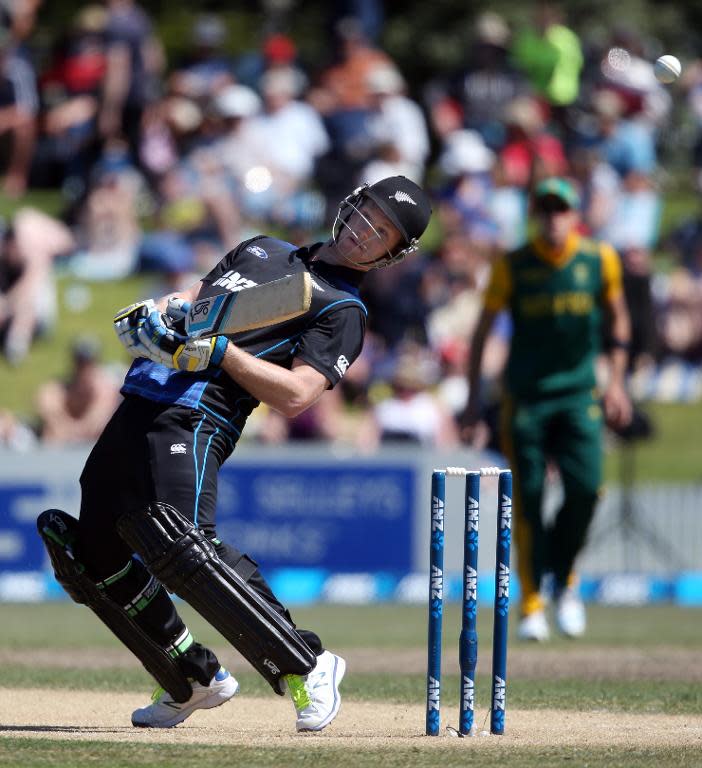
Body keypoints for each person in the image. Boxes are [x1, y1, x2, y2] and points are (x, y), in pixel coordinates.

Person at [37, 176, 431, 730]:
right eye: (368, 213)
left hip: (199, 414)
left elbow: (298, 394)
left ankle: (309, 663)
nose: (366, 230)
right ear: (351, 203)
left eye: (383, 231)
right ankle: (191, 678)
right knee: (89, 558)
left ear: (393, 253)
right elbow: (194, 304)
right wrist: (159, 313)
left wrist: (223, 354)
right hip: (143, 399)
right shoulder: (261, 248)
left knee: (183, 545)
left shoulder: (344, 309)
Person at [462, 177, 631, 641]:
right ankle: (533, 599)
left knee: (587, 490)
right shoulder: (513, 265)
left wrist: (617, 383)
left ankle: (566, 577)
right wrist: (475, 402)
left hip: (580, 395)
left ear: (575, 214)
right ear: (535, 214)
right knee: (530, 499)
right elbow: (480, 334)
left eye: (561, 210)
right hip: (527, 397)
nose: (553, 218)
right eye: (546, 209)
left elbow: (619, 319)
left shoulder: (600, 259)